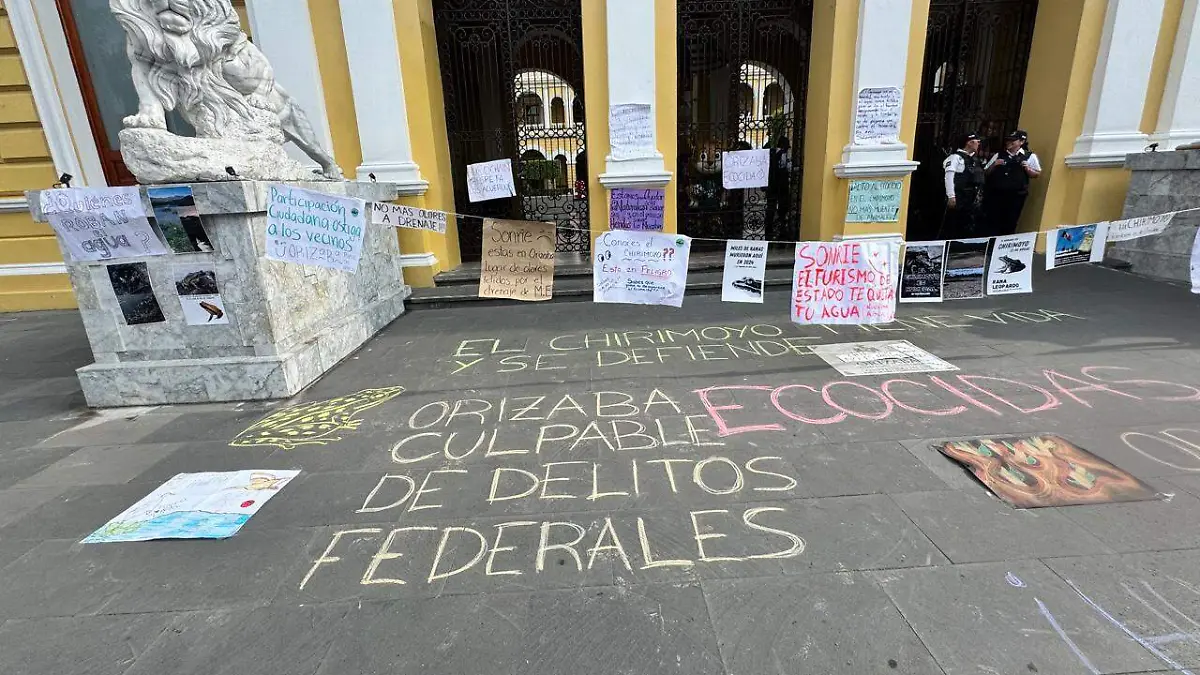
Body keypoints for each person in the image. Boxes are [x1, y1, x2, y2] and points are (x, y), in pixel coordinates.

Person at [983, 129, 1041, 236]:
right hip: (997, 194)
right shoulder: (999, 155)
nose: (1009, 142)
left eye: (1013, 141)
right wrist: (995, 164)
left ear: (1021, 142)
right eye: (1008, 140)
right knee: (994, 220)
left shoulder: (1029, 156)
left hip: (1016, 195)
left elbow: (1036, 174)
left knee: (1011, 221)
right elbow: (986, 172)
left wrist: (1027, 168)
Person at [940, 133, 985, 238]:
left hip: (970, 197)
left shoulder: (973, 159)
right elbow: (949, 177)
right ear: (969, 143)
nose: (979, 144)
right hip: (959, 196)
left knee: (966, 224)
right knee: (953, 223)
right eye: (977, 141)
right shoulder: (955, 157)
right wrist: (951, 196)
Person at [765, 135, 791, 240]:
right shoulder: (782, 154)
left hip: (772, 186)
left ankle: (769, 231)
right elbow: (785, 168)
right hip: (781, 186)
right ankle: (781, 231)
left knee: (771, 208)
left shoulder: (771, 153)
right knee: (781, 209)